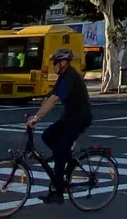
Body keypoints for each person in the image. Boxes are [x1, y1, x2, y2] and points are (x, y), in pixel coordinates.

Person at [26, 48, 91, 203]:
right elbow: (49, 96)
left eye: (55, 62)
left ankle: (59, 193)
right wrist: (35, 115)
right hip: (68, 117)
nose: (54, 65)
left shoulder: (70, 77)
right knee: (47, 136)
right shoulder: (63, 76)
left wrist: (37, 117)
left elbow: (55, 99)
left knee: (60, 152)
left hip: (79, 119)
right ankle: (68, 160)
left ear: (63, 62)